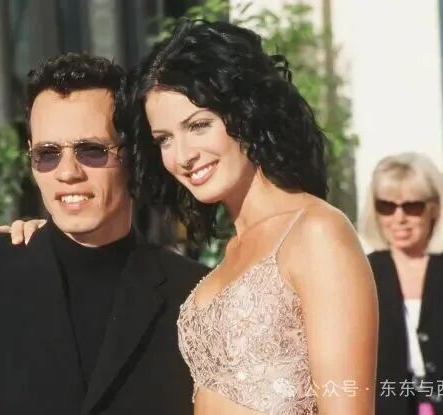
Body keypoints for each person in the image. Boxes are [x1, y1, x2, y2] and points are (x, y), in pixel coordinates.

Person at [0, 53, 208, 415]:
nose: (67, 172)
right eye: (47, 154)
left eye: (92, 151)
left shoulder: (192, 292)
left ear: (133, 157)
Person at [116, 19, 379, 414]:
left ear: (246, 114)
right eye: (164, 139)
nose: (182, 156)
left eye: (198, 125)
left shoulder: (316, 232)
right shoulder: (231, 250)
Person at [359, 152, 443, 415]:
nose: (399, 218)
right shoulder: (363, 273)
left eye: (412, 207)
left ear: (434, 208)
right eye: (386, 207)